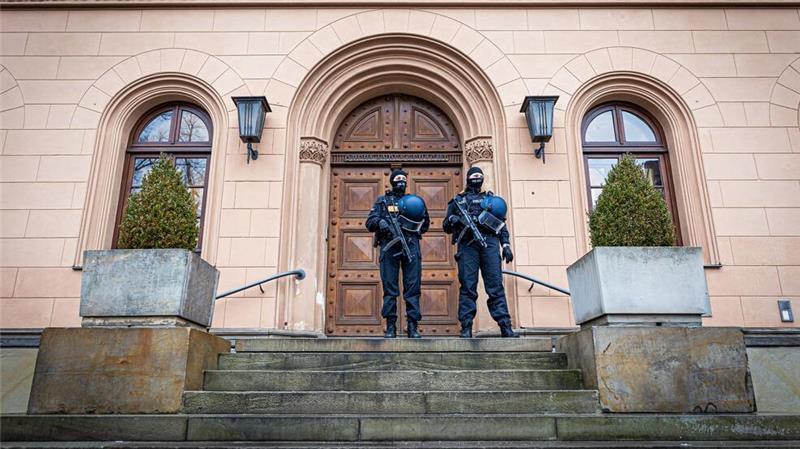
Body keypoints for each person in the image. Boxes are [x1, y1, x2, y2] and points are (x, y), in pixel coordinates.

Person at [443, 166, 519, 338]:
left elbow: (501, 225)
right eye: (473, 176)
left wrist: (505, 245)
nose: (476, 178)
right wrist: (455, 219)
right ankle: (466, 327)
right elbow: (446, 226)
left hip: (489, 244)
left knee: (495, 287)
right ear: (468, 178)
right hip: (467, 246)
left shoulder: (491, 200)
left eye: (479, 176)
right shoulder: (458, 201)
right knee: (468, 287)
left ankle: (505, 327)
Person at [365, 169, 430, 338]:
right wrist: (380, 222)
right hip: (389, 246)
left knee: (413, 288)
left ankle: (413, 326)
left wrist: (412, 227)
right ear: (392, 181)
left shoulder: (415, 201)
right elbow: (369, 222)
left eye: (403, 179)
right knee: (390, 288)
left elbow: (425, 224)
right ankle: (391, 326)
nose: (401, 181)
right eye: (398, 178)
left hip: (411, 246)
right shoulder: (383, 201)